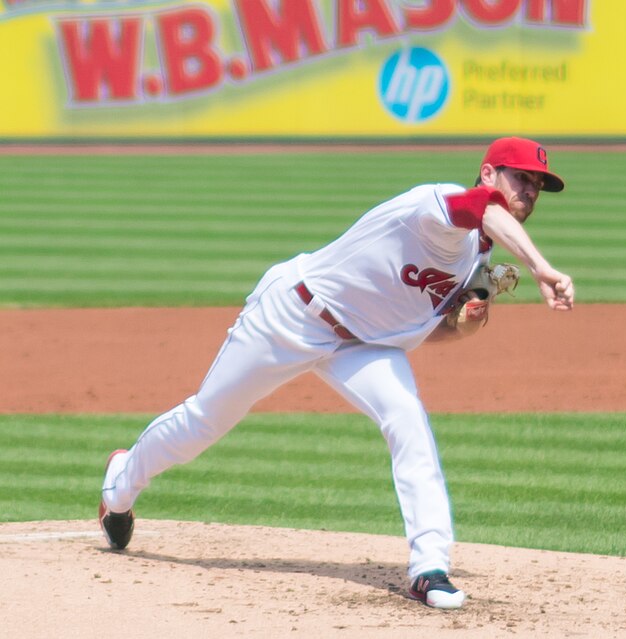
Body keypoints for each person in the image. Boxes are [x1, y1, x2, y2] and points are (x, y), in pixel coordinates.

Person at [99, 137, 575, 610]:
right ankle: (120, 484)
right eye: (521, 179)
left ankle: (430, 568)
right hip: (293, 314)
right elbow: (486, 210)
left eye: (536, 185)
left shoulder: (478, 256)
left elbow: (424, 329)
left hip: (361, 344)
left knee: (407, 418)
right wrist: (542, 268)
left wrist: (463, 327)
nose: (529, 191)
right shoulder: (437, 206)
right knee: (205, 420)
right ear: (489, 175)